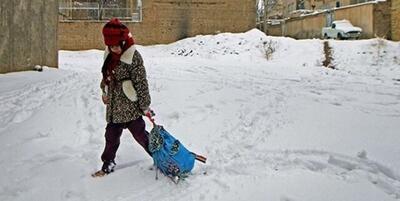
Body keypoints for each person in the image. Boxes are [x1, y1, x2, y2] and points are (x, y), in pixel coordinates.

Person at [92, 18, 152, 177]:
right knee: (110, 137)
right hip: (114, 108)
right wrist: (104, 92)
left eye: (117, 46)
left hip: (130, 107)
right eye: (111, 46)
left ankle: (160, 157)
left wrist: (145, 105)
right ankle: (108, 163)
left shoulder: (133, 56)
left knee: (141, 136)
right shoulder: (109, 55)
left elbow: (141, 83)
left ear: (124, 42)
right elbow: (105, 76)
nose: (114, 49)